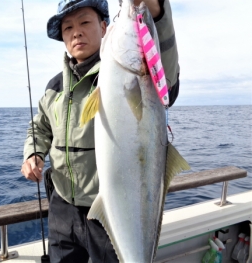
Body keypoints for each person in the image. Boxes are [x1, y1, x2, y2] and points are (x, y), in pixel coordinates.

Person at [21, 0, 180, 262]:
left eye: (85, 22)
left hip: (111, 208)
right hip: (62, 208)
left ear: (104, 26)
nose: (76, 32)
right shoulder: (55, 86)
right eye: (67, 28)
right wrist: (33, 153)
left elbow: (166, 75)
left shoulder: (125, 73)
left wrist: (156, 11)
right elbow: (41, 126)